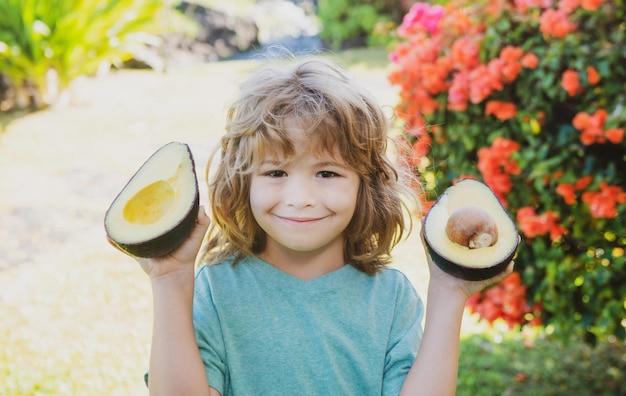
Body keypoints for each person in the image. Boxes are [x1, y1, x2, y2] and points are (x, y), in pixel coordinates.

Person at [133, 57, 513, 395]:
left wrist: (449, 292)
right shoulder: (216, 292)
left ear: (366, 185)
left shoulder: (391, 299)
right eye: (276, 171)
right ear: (242, 181)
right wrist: (170, 279)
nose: (300, 197)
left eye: (327, 172)